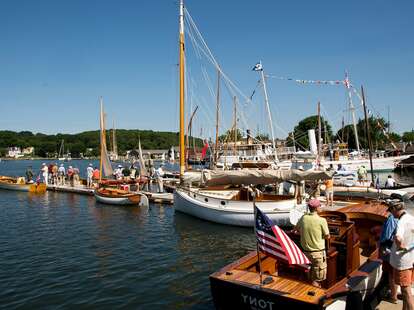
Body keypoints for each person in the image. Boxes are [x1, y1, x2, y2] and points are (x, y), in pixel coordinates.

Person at [296, 199, 330, 287]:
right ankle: (314, 297)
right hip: (318, 254)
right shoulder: (322, 220)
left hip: (305, 253)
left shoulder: (304, 218)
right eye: (320, 206)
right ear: (316, 208)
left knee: (307, 275)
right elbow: (327, 236)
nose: (321, 207)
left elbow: (296, 229)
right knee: (317, 280)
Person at [389, 201, 414, 310]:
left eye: (391, 210)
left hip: (402, 261)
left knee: (406, 291)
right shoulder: (411, 218)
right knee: (406, 290)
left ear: (395, 209)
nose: (391, 214)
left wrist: (402, 246)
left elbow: (398, 237)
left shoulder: (401, 222)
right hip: (411, 259)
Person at [379, 206, 399, 304]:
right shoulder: (401, 218)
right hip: (396, 250)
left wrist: (382, 246)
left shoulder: (391, 219)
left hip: (389, 250)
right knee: (393, 272)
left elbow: (387, 236)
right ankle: (393, 293)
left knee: (391, 274)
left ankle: (393, 296)